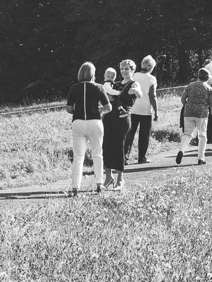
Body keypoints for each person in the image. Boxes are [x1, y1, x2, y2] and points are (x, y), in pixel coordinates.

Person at [65, 62, 111, 196]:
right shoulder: (99, 87)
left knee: (78, 157)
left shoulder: (74, 88)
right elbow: (108, 107)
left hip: (78, 123)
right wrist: (100, 112)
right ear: (93, 74)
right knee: (97, 154)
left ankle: (75, 187)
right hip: (94, 122)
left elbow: (69, 109)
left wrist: (78, 111)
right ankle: (99, 184)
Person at [103, 60, 140, 191]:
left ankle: (120, 179)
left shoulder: (133, 83)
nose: (124, 71)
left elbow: (139, 94)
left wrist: (135, 91)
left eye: (127, 69)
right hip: (109, 117)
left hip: (123, 119)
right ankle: (108, 177)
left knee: (119, 147)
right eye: (122, 68)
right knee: (106, 145)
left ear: (132, 70)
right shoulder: (115, 84)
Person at [177, 68, 212, 165]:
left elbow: (183, 98)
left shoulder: (190, 85)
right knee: (202, 135)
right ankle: (201, 158)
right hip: (202, 114)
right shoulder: (209, 89)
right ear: (207, 78)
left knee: (187, 134)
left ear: (198, 76)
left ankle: (181, 150)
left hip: (188, 113)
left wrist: (187, 105)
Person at [125, 54, 158, 164]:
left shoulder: (133, 75)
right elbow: (152, 96)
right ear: (150, 67)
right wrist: (156, 111)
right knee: (144, 135)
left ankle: (125, 156)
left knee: (130, 133)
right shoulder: (151, 78)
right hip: (145, 110)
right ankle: (141, 157)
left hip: (133, 108)